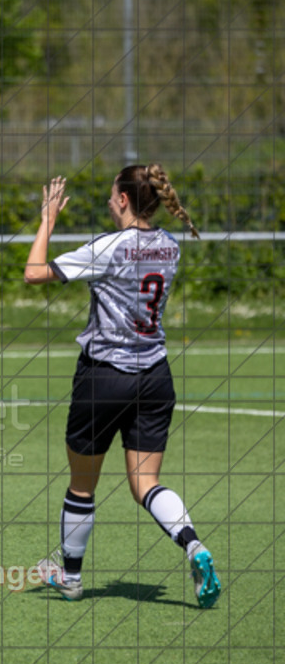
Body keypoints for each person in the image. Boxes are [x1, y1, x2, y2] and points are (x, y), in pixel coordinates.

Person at [24, 167, 221, 608]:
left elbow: (33, 273)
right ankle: (194, 545)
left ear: (125, 201)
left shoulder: (108, 247)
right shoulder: (169, 245)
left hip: (105, 378)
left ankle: (71, 578)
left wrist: (48, 221)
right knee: (146, 483)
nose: (109, 202)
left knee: (82, 485)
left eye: (113, 195)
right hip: (155, 377)